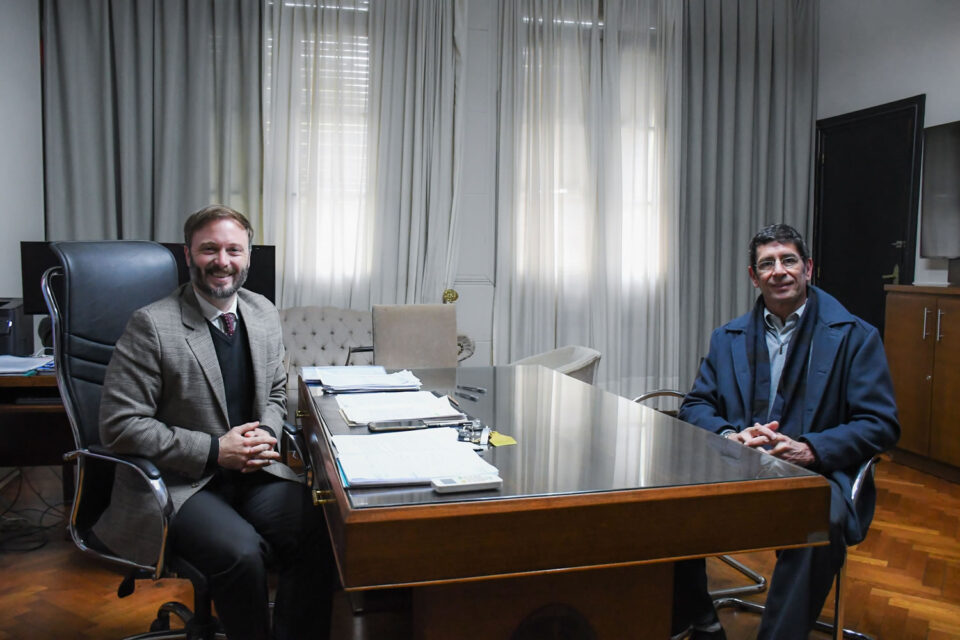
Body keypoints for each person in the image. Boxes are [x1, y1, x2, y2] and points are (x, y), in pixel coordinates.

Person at [93, 205, 333, 640]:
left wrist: (266, 433)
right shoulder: (152, 325)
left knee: (322, 530)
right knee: (241, 555)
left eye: (233, 250)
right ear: (188, 255)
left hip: (253, 473)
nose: (222, 261)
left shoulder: (262, 312)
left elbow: (277, 392)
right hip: (182, 483)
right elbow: (120, 425)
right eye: (209, 249)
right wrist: (215, 450)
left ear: (248, 257)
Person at [671, 224, 899, 640]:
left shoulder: (856, 337)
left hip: (817, 473)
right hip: (734, 468)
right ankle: (701, 621)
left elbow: (880, 424)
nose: (779, 271)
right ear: (753, 276)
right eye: (767, 264)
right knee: (665, 502)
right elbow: (696, 405)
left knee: (821, 519)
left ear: (807, 268)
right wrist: (729, 435)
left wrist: (810, 449)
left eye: (788, 260)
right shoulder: (727, 337)